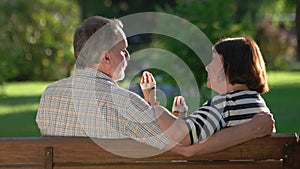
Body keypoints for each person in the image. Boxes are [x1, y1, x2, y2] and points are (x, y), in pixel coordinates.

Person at [36, 16, 274, 152]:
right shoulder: (125, 103)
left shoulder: (49, 96)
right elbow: (178, 145)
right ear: (106, 57)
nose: (128, 57)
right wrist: (250, 129)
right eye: (124, 51)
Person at [166, 37, 275, 156]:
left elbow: (183, 137)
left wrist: (154, 107)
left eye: (214, 60)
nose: (207, 67)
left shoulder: (224, 104)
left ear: (230, 66)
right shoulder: (258, 105)